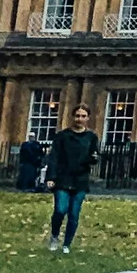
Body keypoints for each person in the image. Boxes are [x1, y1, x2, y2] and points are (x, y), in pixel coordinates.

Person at [46, 105, 100, 254]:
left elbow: (94, 156)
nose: (80, 119)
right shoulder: (62, 136)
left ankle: (66, 245)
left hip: (80, 180)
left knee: (74, 214)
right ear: (73, 117)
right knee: (60, 210)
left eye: (83, 116)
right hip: (63, 178)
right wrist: (51, 177)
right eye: (77, 116)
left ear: (88, 118)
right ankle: (54, 236)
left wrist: (94, 158)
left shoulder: (91, 137)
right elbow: (54, 157)